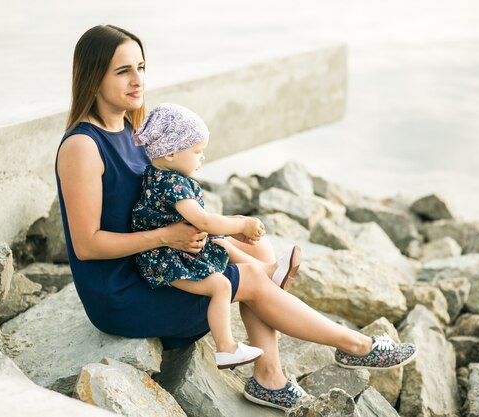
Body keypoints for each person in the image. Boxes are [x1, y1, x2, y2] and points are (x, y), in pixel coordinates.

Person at [56, 24, 418, 412]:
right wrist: (166, 237)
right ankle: (354, 346)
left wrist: (211, 238)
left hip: (157, 263)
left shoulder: (133, 131)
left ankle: (269, 373)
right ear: (93, 76)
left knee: (256, 244)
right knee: (253, 280)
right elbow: (87, 245)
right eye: (123, 71)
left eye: (141, 67)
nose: (138, 80)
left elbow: (159, 207)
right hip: (124, 293)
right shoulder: (83, 146)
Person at [130, 102, 301, 369]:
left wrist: (233, 225)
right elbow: (205, 221)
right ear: (172, 153)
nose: (203, 158)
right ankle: (226, 348)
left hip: (177, 250)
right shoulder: (171, 184)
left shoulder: (159, 174)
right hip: (166, 261)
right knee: (220, 285)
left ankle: (269, 270)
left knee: (220, 244)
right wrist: (241, 226)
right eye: (197, 151)